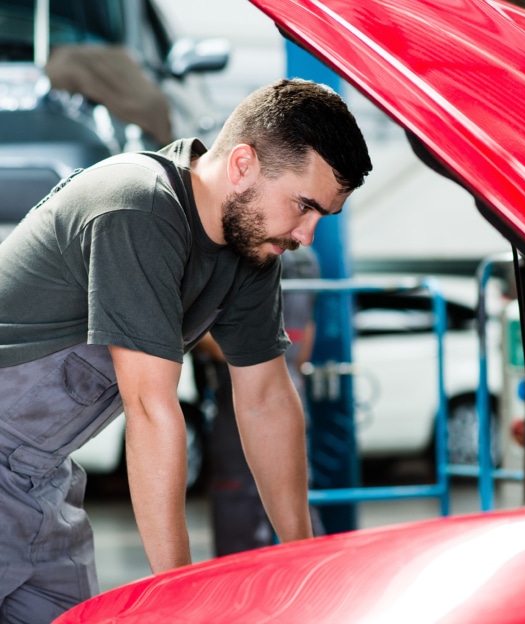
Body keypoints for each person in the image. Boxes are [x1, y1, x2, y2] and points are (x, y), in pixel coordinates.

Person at [0, 78, 372, 622]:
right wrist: (178, 595)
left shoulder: (251, 247)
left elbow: (266, 397)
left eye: (323, 217)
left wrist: (301, 557)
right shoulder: (138, 207)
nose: (307, 235)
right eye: (304, 206)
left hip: (40, 478)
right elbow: (151, 408)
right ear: (243, 164)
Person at [194, 246, 323, 556]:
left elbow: (199, 335)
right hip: (292, 388)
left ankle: (246, 587)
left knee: (238, 495)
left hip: (240, 394)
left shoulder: (239, 251)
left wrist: (248, 356)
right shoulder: (307, 260)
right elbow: (306, 339)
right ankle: (308, 573)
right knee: (297, 493)